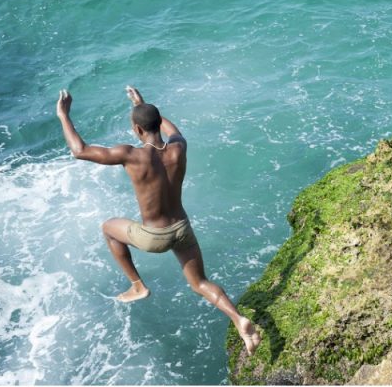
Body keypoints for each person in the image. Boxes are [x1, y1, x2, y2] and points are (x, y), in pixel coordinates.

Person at [56, 86, 262, 355]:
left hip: (154, 236)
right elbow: (172, 130)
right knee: (200, 283)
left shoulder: (132, 155)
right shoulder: (179, 148)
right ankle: (238, 319)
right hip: (183, 229)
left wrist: (63, 114)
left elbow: (79, 150)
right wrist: (143, 104)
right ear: (157, 123)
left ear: (138, 130)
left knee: (108, 228)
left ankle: (137, 285)